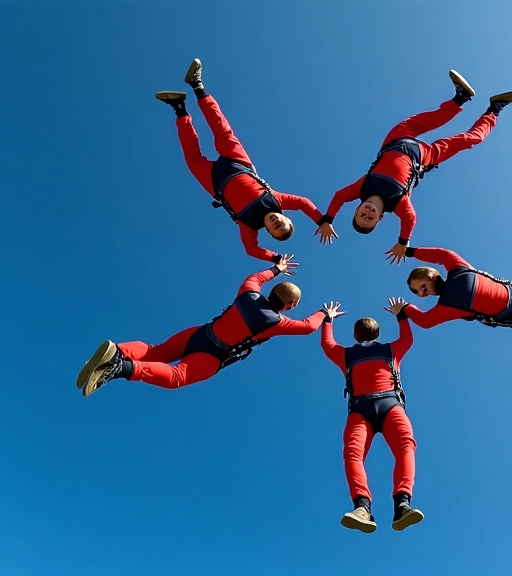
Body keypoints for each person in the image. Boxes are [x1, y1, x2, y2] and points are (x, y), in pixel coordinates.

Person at [314, 70, 512, 265]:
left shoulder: (361, 189)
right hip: (424, 158)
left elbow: (339, 196)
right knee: (469, 140)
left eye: (362, 215)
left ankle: (461, 97)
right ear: (380, 217)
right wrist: (403, 242)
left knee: (427, 120)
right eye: (370, 218)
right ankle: (495, 109)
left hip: (396, 141)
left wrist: (328, 219)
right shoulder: (397, 204)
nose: (367, 213)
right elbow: (410, 218)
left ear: (357, 208)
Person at [76, 256, 337, 396]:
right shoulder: (276, 322)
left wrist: (275, 269)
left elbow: (255, 278)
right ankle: (119, 367)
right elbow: (308, 326)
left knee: (156, 351)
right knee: (178, 377)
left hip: (199, 333)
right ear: (290, 304)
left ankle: (118, 351)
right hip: (211, 356)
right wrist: (325, 314)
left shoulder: (248, 293)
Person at [156, 58, 328, 263]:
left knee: (192, 159)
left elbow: (251, 250)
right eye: (282, 223)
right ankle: (197, 85)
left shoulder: (249, 226)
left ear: (269, 233)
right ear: (285, 216)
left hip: (216, 183)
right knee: (222, 130)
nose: (277, 223)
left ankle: (179, 108)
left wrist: (276, 258)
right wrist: (322, 220)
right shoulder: (276, 200)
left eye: (276, 229)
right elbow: (302, 203)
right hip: (238, 165)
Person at [319, 298, 424, 533]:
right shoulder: (390, 349)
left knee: (354, 455)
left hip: (363, 409)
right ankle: (398, 504)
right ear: (377, 333)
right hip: (387, 406)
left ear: (356, 335)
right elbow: (408, 338)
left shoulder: (347, 354)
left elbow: (327, 344)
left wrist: (328, 318)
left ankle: (367, 507)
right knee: (404, 447)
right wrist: (401, 314)